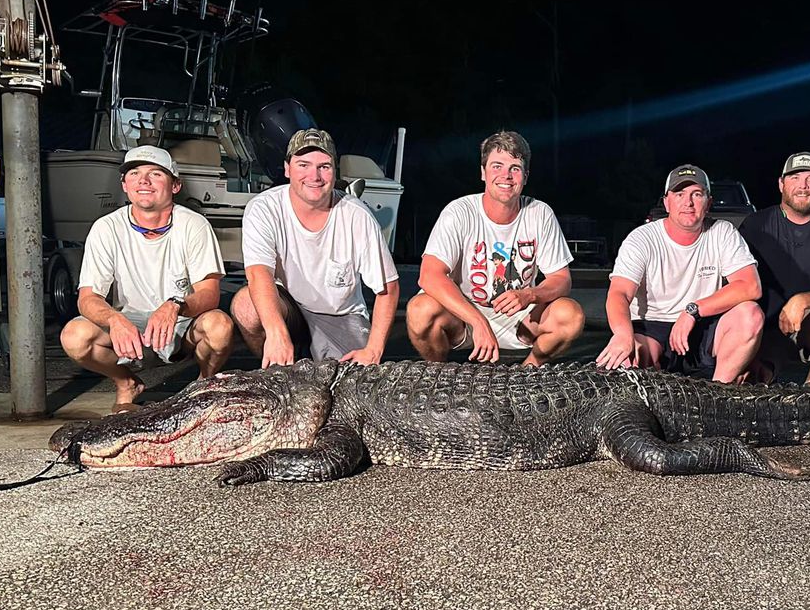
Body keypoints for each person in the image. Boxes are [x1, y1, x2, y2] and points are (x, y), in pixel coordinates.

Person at [60, 145, 234, 412]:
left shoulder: (194, 225)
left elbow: (210, 292)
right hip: (130, 324)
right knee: (74, 336)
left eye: (156, 174)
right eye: (134, 173)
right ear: (124, 184)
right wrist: (115, 319)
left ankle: (202, 387)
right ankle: (126, 383)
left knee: (220, 326)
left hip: (181, 324)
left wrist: (175, 305)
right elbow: (88, 297)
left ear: (175, 185)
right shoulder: (106, 228)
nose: (143, 181)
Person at [406, 130, 584, 365]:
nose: (506, 176)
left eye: (515, 168)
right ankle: (439, 371)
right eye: (497, 166)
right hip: (465, 315)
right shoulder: (459, 212)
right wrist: (477, 321)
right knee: (420, 310)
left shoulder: (540, 212)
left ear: (525, 176)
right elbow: (429, 276)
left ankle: (529, 370)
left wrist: (529, 294)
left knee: (571, 315)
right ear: (483, 172)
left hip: (518, 317)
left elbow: (561, 279)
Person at [231, 128, 401, 367]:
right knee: (246, 305)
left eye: (324, 166)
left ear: (334, 171)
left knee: (356, 383)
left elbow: (388, 288)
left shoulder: (357, 215)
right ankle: (278, 372)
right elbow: (258, 274)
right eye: (303, 165)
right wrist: (276, 332)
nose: (315, 175)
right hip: (288, 308)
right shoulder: (263, 208)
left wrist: (373, 350)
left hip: (339, 314)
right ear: (287, 168)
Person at [596, 164, 763, 383]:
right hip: (651, 328)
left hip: (701, 326)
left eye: (697, 194)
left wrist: (693, 311)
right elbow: (619, 293)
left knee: (751, 314)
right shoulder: (641, 238)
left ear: (708, 202)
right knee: (625, 358)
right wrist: (622, 335)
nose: (688, 202)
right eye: (679, 193)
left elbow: (750, 286)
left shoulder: (722, 232)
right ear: (666, 202)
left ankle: (719, 394)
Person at [740, 151, 810, 385]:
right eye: (794, 177)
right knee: (753, 378)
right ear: (781, 184)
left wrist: (802, 301)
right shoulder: (755, 224)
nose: (803, 186)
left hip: (806, 326)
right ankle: (762, 362)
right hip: (763, 325)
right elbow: (736, 283)